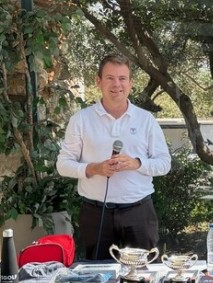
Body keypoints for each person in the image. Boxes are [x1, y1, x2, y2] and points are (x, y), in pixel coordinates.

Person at [57, 53, 171, 260]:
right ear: (98, 81)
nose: (116, 84)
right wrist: (94, 168)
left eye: (122, 78)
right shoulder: (81, 120)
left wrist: (137, 163)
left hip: (139, 212)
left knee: (142, 278)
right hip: (95, 213)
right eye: (110, 78)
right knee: (98, 282)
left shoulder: (146, 120)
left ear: (130, 83)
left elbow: (164, 164)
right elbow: (63, 165)